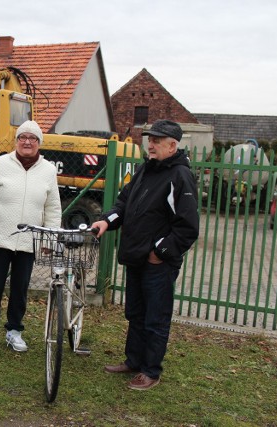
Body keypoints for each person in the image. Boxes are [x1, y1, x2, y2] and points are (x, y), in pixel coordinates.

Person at [91, 119, 199, 390]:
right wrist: (107, 220)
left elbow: (187, 227)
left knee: (155, 318)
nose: (150, 144)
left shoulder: (180, 176)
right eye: (150, 139)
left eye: (157, 141)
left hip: (157, 263)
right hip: (136, 258)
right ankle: (134, 361)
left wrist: (159, 252)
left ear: (172, 145)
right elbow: (124, 202)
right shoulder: (145, 170)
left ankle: (151, 371)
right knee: (136, 314)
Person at [0, 120, 61, 352]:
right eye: (23, 137)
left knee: (20, 290)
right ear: (16, 141)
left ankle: (14, 331)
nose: (27, 142)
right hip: (0, 238)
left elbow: (53, 208)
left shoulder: (49, 171)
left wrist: (50, 239)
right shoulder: (1, 164)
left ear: (39, 143)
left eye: (33, 138)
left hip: (29, 242)